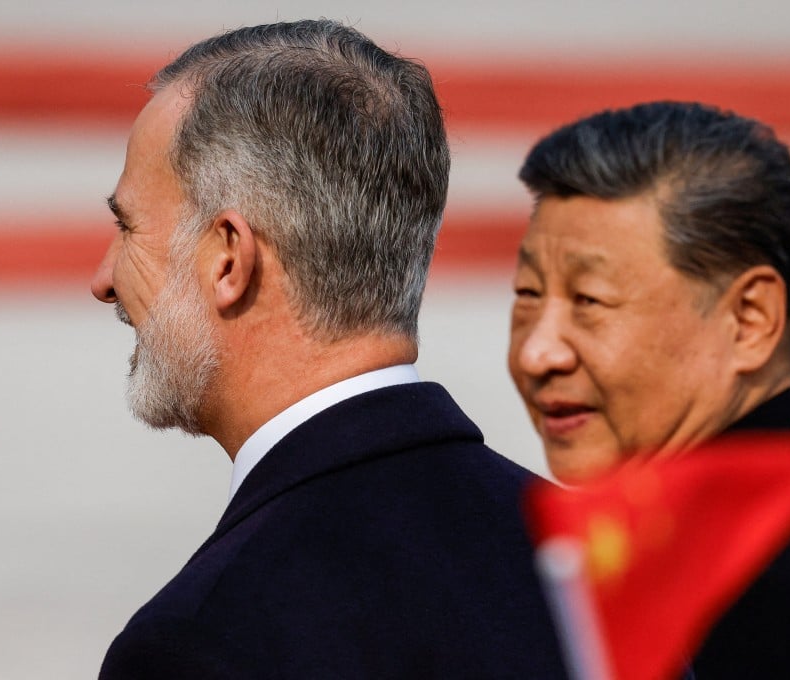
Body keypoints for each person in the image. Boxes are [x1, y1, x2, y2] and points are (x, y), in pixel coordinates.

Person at [90, 20, 569, 679]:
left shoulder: (205, 639)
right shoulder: (599, 572)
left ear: (228, 258)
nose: (103, 277)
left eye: (127, 226)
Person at [508, 101, 790, 678]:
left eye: (590, 300)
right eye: (527, 293)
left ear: (749, 319)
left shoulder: (763, 580)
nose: (538, 352)